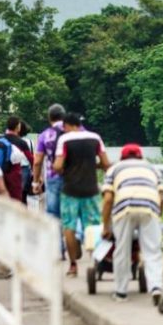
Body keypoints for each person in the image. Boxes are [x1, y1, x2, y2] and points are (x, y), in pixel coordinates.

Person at [101, 144, 163, 304]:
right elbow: (161, 197)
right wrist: (158, 216)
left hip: (124, 208)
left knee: (122, 250)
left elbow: (108, 199)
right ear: (140, 156)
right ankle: (156, 287)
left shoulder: (114, 169)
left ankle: (121, 292)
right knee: (153, 250)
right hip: (150, 206)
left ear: (122, 157)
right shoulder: (152, 168)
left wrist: (105, 226)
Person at [53, 112, 110, 277]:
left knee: (69, 227)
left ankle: (72, 265)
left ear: (68, 126)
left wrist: (66, 170)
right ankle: (96, 261)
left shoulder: (64, 140)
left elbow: (57, 166)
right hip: (91, 190)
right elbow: (106, 163)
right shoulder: (95, 138)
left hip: (70, 190)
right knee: (92, 226)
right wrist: (95, 167)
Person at [33, 104, 66, 220]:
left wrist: (36, 182)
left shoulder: (44, 135)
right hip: (75, 176)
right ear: (64, 116)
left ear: (49, 118)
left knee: (53, 215)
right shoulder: (74, 130)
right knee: (72, 212)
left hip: (53, 177)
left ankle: (57, 238)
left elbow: (37, 161)